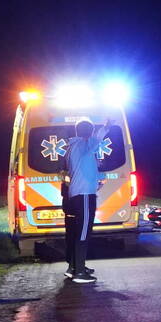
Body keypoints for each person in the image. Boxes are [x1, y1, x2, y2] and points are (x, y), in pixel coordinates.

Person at [62, 117, 111, 283]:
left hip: (78, 194)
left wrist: (99, 178)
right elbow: (98, 138)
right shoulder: (83, 145)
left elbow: (85, 170)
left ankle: (74, 267)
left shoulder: (73, 148)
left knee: (77, 232)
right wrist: (106, 127)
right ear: (88, 132)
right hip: (83, 195)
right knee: (83, 233)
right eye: (90, 131)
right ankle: (80, 273)